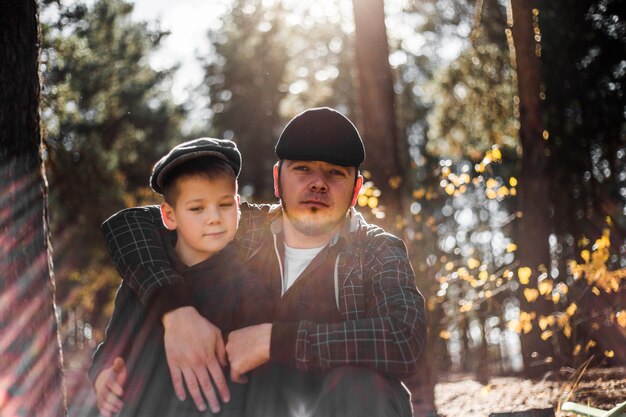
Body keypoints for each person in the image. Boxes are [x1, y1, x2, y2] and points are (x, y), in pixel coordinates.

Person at [101, 107, 427, 417]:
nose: (318, 183)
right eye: (302, 169)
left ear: (356, 189)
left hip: (339, 406)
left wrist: (277, 342)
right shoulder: (241, 227)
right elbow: (130, 226)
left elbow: (403, 338)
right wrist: (175, 315)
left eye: (335, 173)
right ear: (277, 180)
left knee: (361, 384)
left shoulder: (376, 251)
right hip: (250, 404)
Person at [90, 138, 273, 417]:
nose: (213, 218)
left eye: (224, 205)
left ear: (238, 205)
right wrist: (102, 373)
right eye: (197, 208)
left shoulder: (246, 289)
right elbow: (113, 344)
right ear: (169, 216)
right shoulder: (140, 281)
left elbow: (244, 386)